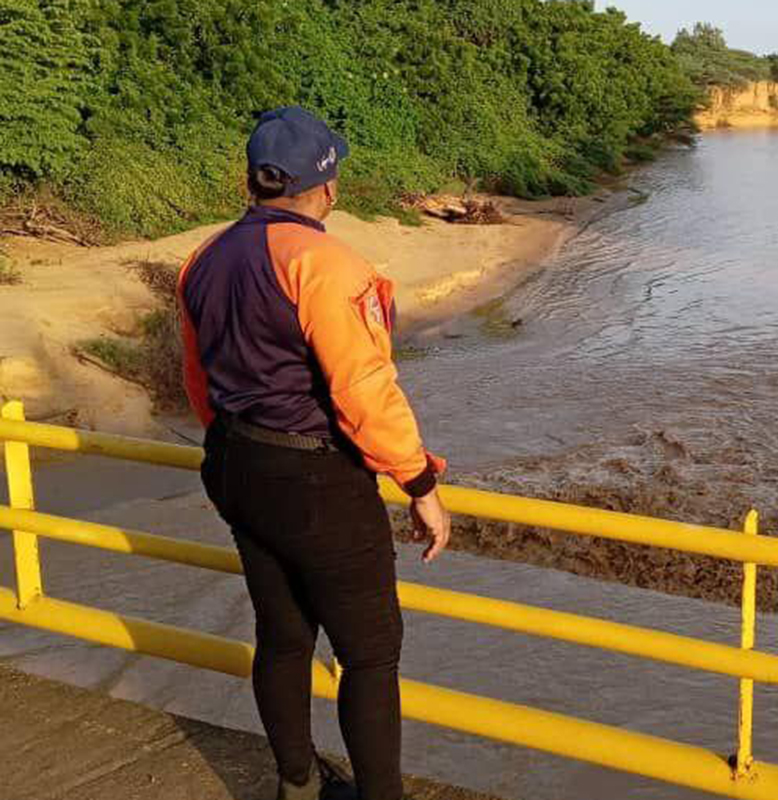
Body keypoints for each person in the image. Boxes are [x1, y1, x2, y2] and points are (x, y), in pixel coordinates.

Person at [177, 106, 450, 800]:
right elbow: (363, 389)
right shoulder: (325, 262)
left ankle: (295, 784)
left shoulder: (203, 259)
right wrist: (418, 481)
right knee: (370, 653)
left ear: (254, 180)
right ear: (326, 187)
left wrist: (241, 443)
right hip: (314, 478)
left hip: (236, 465)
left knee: (283, 633)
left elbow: (197, 380)